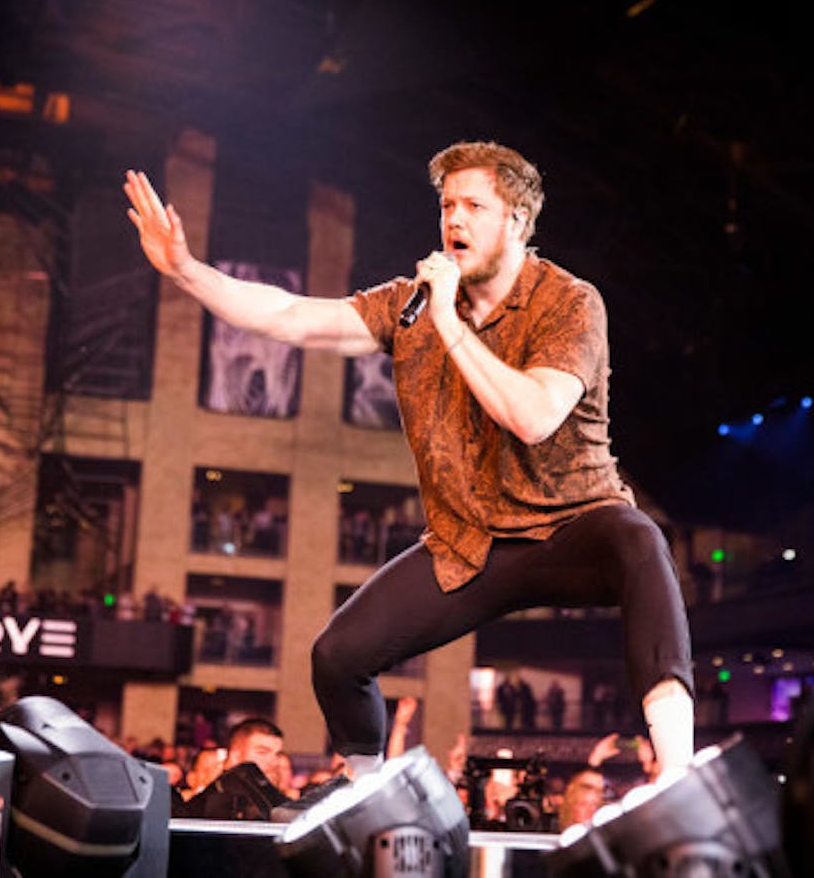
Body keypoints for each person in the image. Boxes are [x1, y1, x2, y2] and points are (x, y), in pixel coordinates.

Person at [123, 140, 695, 783]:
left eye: (473, 205)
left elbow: (533, 416)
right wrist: (187, 271)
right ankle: (368, 793)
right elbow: (291, 317)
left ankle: (675, 775)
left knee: (641, 542)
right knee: (337, 655)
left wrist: (448, 319)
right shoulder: (409, 306)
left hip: (573, 526)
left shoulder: (568, 302)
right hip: (470, 544)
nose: (453, 219)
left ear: (517, 221)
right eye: (447, 205)